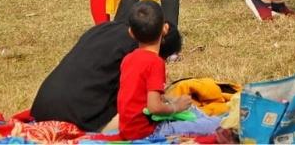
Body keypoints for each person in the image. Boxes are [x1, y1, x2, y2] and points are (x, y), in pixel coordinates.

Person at [30, 19, 182, 131]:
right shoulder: (140, 55)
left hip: (42, 107)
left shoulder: (105, 28)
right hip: (76, 117)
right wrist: (174, 106)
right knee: (144, 117)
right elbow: (150, 106)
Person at [117, 1, 220, 140]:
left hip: (126, 128)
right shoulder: (155, 62)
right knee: (219, 124)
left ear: (131, 33)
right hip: (149, 131)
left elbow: (136, 96)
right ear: (165, 29)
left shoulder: (128, 59)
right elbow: (154, 107)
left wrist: (167, 99)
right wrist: (175, 107)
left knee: (194, 112)